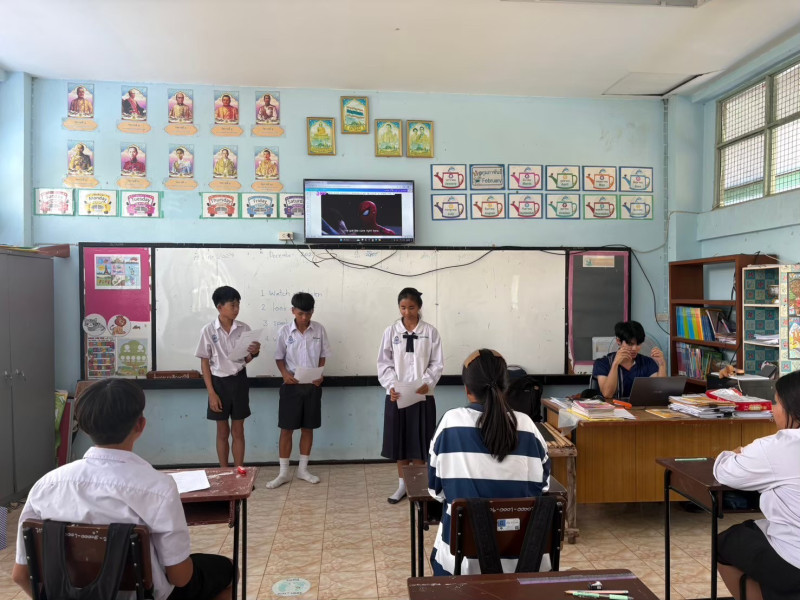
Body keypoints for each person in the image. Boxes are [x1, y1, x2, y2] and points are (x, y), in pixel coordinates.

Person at [11, 378, 234, 600]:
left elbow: (20, 575)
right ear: (140, 425)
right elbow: (180, 577)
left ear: (85, 427)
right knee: (226, 570)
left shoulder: (46, 486)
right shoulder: (159, 488)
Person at [428, 348, 551, 576]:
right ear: (506, 386)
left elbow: (436, 491)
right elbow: (542, 487)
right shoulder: (528, 426)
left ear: (467, 389)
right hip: (525, 561)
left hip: (463, 566)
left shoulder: (449, 424)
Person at [714, 370, 800, 600]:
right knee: (756, 530)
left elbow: (725, 472)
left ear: (792, 409)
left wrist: (735, 452)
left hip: (795, 559)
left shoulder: (778, 446)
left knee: (725, 542)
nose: (773, 409)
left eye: (777, 402)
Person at [378, 287, 443, 504]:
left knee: (420, 443)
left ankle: (420, 486)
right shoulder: (391, 332)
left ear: (419, 307)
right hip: (397, 396)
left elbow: (437, 363)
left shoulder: (430, 332)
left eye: (412, 307)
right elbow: (384, 363)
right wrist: (391, 385)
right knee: (400, 443)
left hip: (422, 396)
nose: (407, 312)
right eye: (403, 308)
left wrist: (427, 382)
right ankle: (403, 486)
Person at [267, 292, 330, 489]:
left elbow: (323, 355)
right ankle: (283, 473)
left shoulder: (319, 330)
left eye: (308, 313)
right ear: (293, 310)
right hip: (291, 385)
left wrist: (320, 373)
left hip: (312, 385)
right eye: (301, 313)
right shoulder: (285, 331)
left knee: (308, 428)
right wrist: (284, 374)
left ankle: (303, 469)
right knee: (286, 429)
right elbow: (279, 357)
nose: (305, 317)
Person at [195, 286, 260, 467]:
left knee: (238, 431)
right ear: (219, 307)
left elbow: (244, 359)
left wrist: (254, 353)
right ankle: (223, 471)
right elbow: (204, 363)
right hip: (218, 384)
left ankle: (239, 470)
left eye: (238, 305)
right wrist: (211, 393)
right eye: (232, 305)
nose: (236, 309)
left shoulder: (244, 329)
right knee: (222, 431)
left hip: (239, 380)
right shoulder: (208, 330)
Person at [591, 320, 665, 399]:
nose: (635, 348)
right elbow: (607, 394)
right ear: (618, 341)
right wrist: (615, 364)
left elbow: (659, 392)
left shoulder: (647, 362)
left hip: (639, 406)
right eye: (630, 344)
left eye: (638, 344)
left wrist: (662, 364)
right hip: (612, 406)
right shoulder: (602, 363)